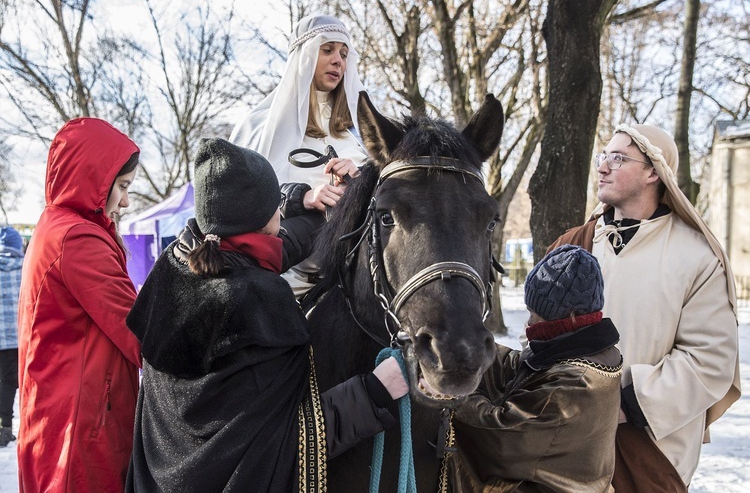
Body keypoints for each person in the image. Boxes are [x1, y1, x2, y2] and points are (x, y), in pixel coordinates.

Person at [125, 138, 408, 492]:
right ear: (264, 216)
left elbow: (270, 248)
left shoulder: (177, 263)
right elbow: (284, 443)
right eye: (278, 204)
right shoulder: (259, 300)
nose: (281, 211)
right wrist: (374, 392)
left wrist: (325, 205)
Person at [548, 124, 741, 491]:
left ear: (654, 171)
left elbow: (709, 359)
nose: (602, 166)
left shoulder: (697, 256)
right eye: (603, 156)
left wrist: (621, 404)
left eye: (618, 158)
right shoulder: (573, 246)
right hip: (566, 441)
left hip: (647, 448)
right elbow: (539, 336)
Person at [17, 117, 142, 492]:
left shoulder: (56, 226)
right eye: (120, 186)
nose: (125, 200)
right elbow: (141, 331)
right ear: (94, 179)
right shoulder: (78, 239)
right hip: (81, 430)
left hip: (60, 416)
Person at [449, 244, 622, 492]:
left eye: (535, 313)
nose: (528, 322)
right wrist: (470, 346)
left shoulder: (576, 383)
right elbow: (519, 369)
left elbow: (500, 436)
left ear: (569, 316)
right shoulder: (585, 350)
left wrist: (454, 392)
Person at [230, 14, 367, 297]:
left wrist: (360, 179)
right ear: (303, 57)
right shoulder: (257, 127)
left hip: (349, 291)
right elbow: (235, 202)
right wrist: (302, 198)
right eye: (327, 50)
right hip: (273, 289)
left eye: (343, 54)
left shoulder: (356, 137)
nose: (338, 60)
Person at [0, 226, 23, 447]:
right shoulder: (24, 267)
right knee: (15, 382)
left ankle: (3, 427)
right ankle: (11, 427)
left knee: (4, 383)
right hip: (20, 337)